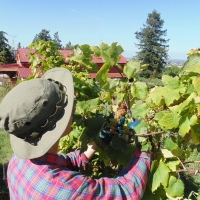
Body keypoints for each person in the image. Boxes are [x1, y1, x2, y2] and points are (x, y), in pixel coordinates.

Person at [0, 67, 151, 200]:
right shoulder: (65, 189)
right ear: (54, 125)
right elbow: (126, 192)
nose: (72, 106)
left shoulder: (18, 161)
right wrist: (144, 145)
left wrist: (100, 140)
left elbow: (67, 162)